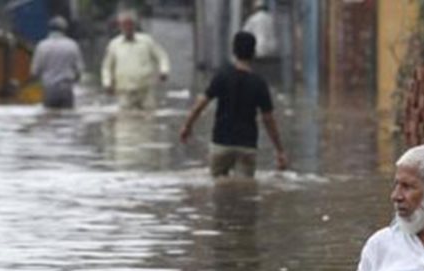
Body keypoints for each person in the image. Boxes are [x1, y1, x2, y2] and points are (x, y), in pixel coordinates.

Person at [179, 31, 287, 177]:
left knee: (218, 190)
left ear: (234, 51)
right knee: (246, 191)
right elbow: (268, 119)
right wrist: (279, 150)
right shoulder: (259, 83)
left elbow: (200, 105)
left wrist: (187, 126)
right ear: (254, 53)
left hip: (221, 144)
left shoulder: (222, 77)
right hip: (247, 146)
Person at [100, 10, 170, 110]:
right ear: (120, 26)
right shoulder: (114, 45)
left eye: (130, 24)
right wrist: (107, 83)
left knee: (148, 118)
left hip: (145, 90)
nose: (128, 28)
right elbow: (106, 67)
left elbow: (162, 56)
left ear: (134, 25)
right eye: (124, 25)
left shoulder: (147, 41)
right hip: (124, 91)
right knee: (125, 120)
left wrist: (164, 71)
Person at [31, 16, 84, 109]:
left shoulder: (42, 46)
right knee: (67, 120)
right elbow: (79, 71)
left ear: (50, 29)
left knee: (49, 118)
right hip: (66, 89)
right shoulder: (72, 45)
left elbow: (34, 72)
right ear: (64, 30)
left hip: (49, 89)